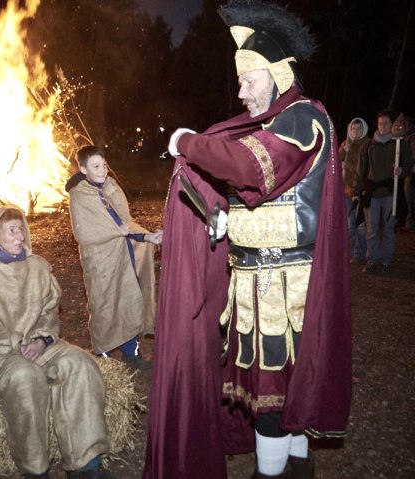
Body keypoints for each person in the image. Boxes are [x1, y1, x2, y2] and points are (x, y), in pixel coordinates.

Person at [144, 1, 352, 478]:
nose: (241, 92)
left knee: (273, 394)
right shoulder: (280, 122)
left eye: (248, 80)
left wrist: (187, 142)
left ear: (277, 74)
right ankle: (297, 469)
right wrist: (227, 225)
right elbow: (262, 199)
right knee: (281, 388)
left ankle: (274, 473)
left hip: (285, 288)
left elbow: (250, 169)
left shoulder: (302, 117)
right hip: (261, 283)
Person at [0, 206, 116, 479]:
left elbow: (49, 311)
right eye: (12, 231)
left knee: (80, 363)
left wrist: (40, 339)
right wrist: (13, 341)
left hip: (36, 345)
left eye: (22, 229)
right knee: (26, 377)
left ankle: (86, 462)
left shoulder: (37, 267)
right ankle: (36, 470)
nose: (20, 236)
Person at [67, 145, 162, 370]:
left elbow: (124, 223)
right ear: (83, 169)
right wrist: (118, 231)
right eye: (95, 166)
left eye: (104, 165)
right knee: (105, 304)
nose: (102, 171)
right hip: (100, 260)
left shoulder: (110, 187)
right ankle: (104, 356)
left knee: (129, 299)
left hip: (123, 254)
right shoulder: (80, 196)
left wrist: (147, 237)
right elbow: (85, 232)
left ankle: (131, 352)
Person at [353, 110, 412, 273]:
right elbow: (361, 170)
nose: (383, 126)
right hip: (372, 193)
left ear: (392, 124)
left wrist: (401, 171)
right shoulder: (369, 146)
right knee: (371, 230)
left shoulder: (399, 144)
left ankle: (386, 260)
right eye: (380, 123)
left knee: (388, 229)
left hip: (390, 193)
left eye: (386, 123)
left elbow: (408, 161)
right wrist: (357, 190)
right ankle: (372, 260)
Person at [339, 117, 371, 263]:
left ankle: (360, 252)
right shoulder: (346, 144)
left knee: (360, 224)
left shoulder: (367, 144)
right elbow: (338, 162)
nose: (356, 131)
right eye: (353, 128)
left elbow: (363, 169)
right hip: (345, 189)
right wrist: (343, 151)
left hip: (360, 190)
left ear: (363, 129)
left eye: (359, 128)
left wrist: (359, 189)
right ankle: (349, 251)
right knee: (348, 224)